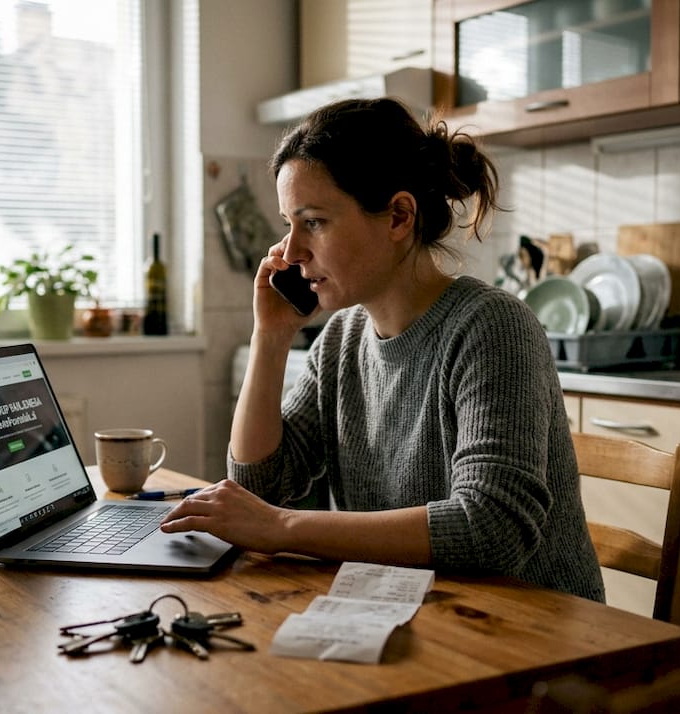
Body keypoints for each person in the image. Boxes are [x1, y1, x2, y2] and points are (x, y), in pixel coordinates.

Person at [161, 98, 604, 601]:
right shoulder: (341, 340)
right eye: (289, 223)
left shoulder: (492, 327)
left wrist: (284, 527)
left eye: (314, 222)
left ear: (398, 216)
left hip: (540, 641)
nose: (289, 251)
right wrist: (271, 335)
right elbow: (259, 485)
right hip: (415, 609)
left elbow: (491, 528)